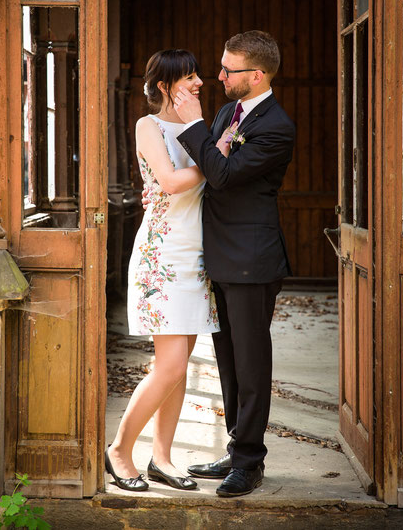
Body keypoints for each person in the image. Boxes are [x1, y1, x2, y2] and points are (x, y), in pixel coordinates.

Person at [173, 30, 295, 498]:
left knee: (251, 362)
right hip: (219, 255)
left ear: (257, 75)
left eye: (229, 69)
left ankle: (250, 462)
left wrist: (193, 125)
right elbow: (206, 170)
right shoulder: (230, 112)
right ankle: (236, 447)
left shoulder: (276, 127)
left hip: (251, 259)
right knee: (225, 359)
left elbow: (220, 175)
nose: (219, 75)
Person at [105, 49, 225, 492]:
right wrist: (217, 155)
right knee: (171, 366)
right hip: (162, 253)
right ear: (163, 86)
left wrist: (214, 149)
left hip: (197, 256)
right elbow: (172, 183)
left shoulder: (200, 127)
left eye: (197, 76)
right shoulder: (148, 126)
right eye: (189, 77)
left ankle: (162, 457)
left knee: (179, 364)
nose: (198, 83)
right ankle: (119, 450)